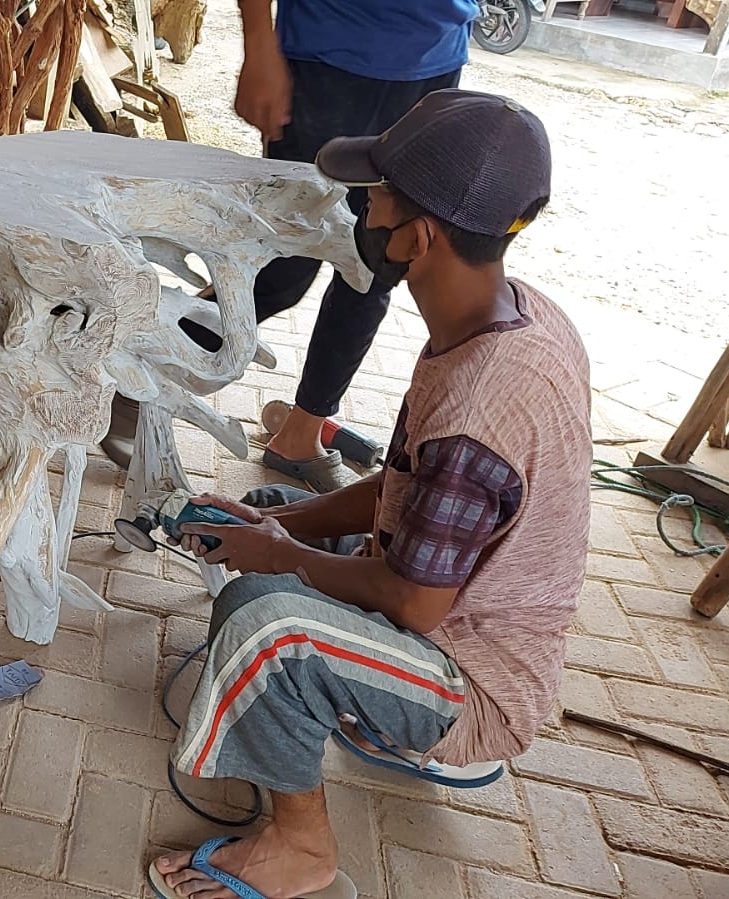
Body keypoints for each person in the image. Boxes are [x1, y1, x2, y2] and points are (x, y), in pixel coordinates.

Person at [147, 90, 591, 899]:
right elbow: (402, 491)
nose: (364, 208)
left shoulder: (478, 407)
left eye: (375, 195)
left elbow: (413, 602)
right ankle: (359, 708)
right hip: (468, 615)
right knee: (276, 561)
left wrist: (276, 555)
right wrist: (277, 520)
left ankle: (301, 847)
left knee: (262, 623)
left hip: (471, 676)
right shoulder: (516, 316)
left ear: (416, 237)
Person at [101, 0, 478, 493]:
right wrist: (259, 42)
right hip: (330, 61)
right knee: (282, 267)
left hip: (435, 60)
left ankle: (302, 433)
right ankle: (143, 380)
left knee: (377, 266)